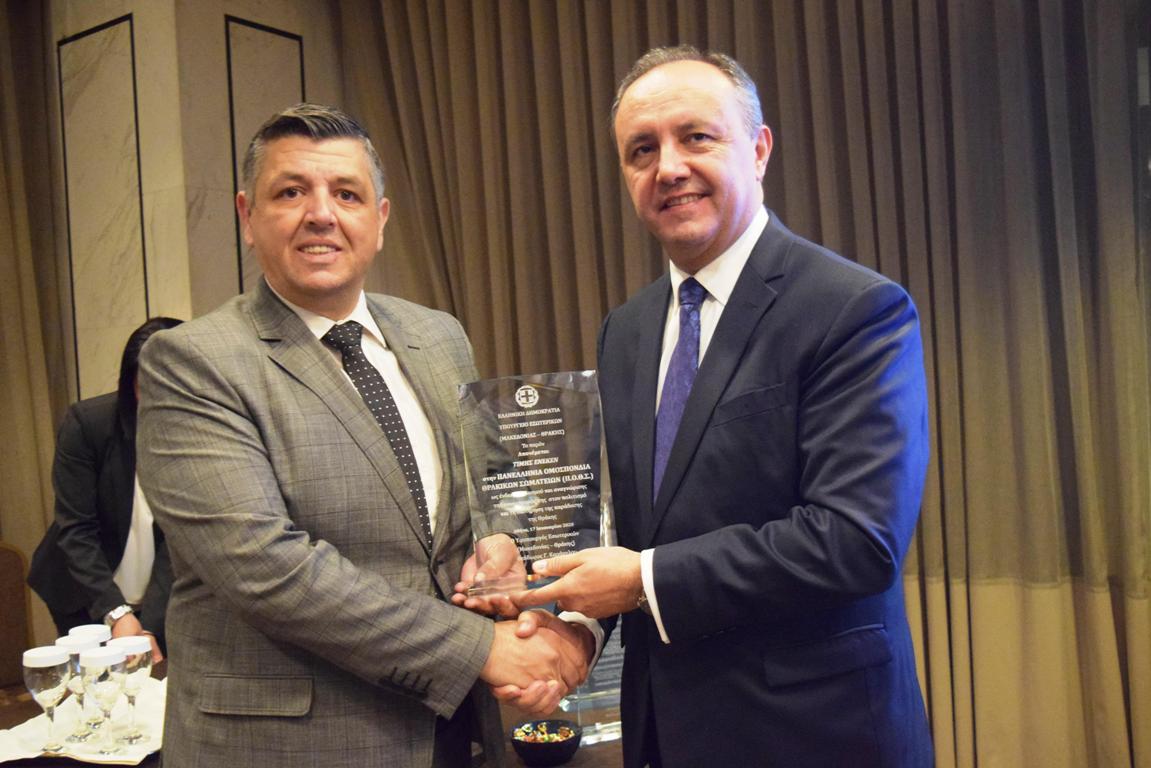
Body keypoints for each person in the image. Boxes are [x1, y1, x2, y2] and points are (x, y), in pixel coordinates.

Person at [513, 46, 934, 767]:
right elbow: (632, 523)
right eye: (641, 150)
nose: (668, 167)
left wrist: (641, 582)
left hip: (813, 735)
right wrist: (576, 620)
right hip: (664, 730)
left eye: (696, 137)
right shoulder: (626, 330)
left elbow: (855, 540)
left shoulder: (854, 309)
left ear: (759, 149)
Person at [135, 104, 588, 768]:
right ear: (247, 217)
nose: (321, 213)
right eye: (291, 192)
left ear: (379, 219)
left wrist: (499, 542)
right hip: (290, 747)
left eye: (346, 194)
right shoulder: (192, 362)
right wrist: (483, 650)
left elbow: (488, 489)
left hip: (452, 732)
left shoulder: (438, 336)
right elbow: (268, 570)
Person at [28, 316, 183, 662]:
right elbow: (76, 528)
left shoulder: (203, 433)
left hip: (161, 593)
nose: (162, 400)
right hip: (84, 589)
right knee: (97, 683)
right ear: (130, 384)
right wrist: (115, 611)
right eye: (148, 387)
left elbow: (180, 537)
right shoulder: (89, 424)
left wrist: (150, 625)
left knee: (152, 681)